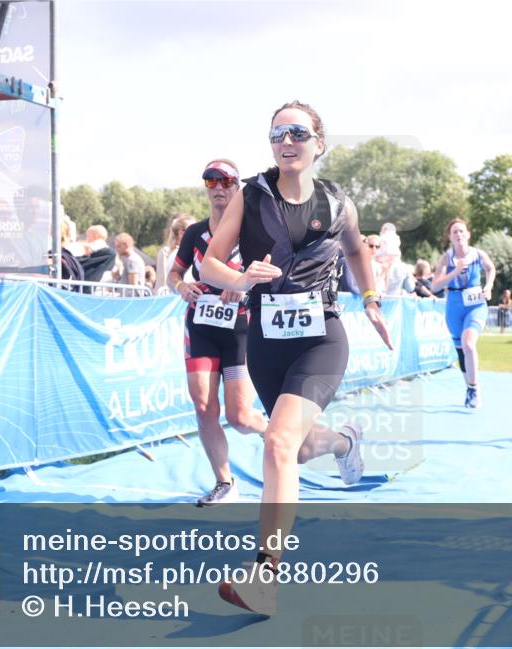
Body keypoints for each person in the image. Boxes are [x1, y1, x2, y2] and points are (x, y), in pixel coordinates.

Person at [200, 100, 391, 615]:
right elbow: (211, 261)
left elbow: (356, 252)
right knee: (299, 449)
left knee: (278, 442)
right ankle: (343, 440)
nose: (287, 141)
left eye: (298, 132)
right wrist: (239, 281)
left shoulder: (338, 203)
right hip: (265, 340)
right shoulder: (251, 195)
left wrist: (370, 300)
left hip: (321, 337)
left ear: (318, 142)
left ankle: (265, 576)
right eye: (277, 133)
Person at [167, 159, 270, 507]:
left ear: (237, 187)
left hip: (240, 331)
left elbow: (272, 277)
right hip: (201, 327)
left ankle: (281, 436)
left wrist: (243, 288)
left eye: (227, 182)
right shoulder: (195, 233)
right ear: (206, 189)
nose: (220, 188)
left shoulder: (252, 234)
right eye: (212, 182)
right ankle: (224, 481)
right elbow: (174, 275)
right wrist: (181, 287)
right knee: (203, 406)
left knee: (239, 417)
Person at [431, 218, 496, 408]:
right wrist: (455, 272)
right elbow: (435, 286)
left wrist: (489, 285)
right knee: (461, 349)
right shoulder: (446, 258)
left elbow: (491, 268)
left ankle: (474, 389)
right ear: (450, 237)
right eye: (454, 232)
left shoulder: (478, 254)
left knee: (469, 343)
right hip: (454, 305)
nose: (459, 235)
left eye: (461, 231)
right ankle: (469, 386)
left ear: (468, 234)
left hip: (475, 304)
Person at [156, 213, 194, 295]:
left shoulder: (183, 252)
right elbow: (163, 279)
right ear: (181, 233)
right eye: (193, 230)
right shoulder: (176, 254)